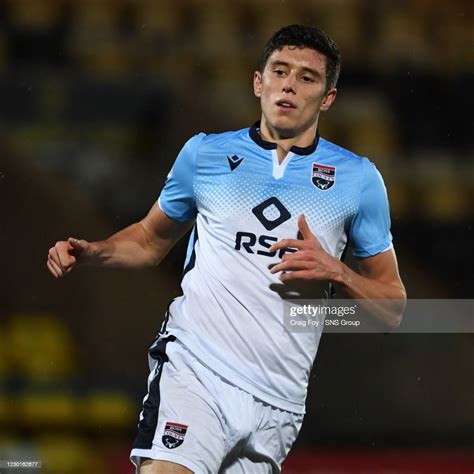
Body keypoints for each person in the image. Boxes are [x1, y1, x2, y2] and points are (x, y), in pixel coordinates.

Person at [47, 25, 406, 474]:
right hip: (197, 369)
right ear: (259, 82)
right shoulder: (205, 155)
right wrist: (93, 251)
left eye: (307, 77)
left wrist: (339, 272)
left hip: (279, 402)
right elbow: (148, 239)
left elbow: (392, 309)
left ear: (328, 97)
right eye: (280, 71)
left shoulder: (359, 180)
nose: (290, 84)